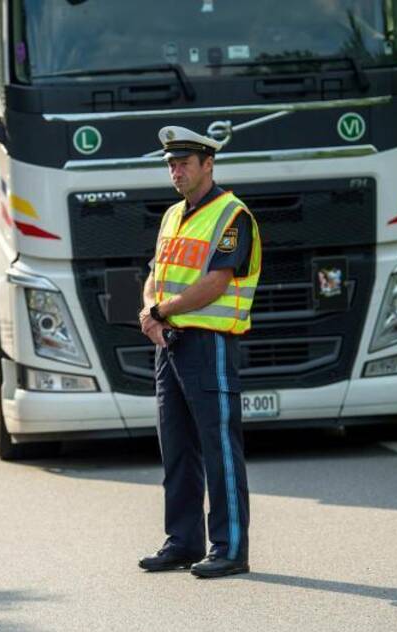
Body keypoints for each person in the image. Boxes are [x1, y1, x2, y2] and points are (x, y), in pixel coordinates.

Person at [138, 126, 262, 579]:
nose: (176, 171)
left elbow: (217, 282)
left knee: (218, 448)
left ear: (208, 164)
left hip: (208, 343)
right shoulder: (173, 215)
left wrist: (160, 310)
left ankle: (230, 548)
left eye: (184, 163)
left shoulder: (233, 215)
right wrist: (151, 313)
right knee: (177, 448)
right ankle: (183, 542)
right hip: (169, 343)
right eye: (171, 164)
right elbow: (156, 273)